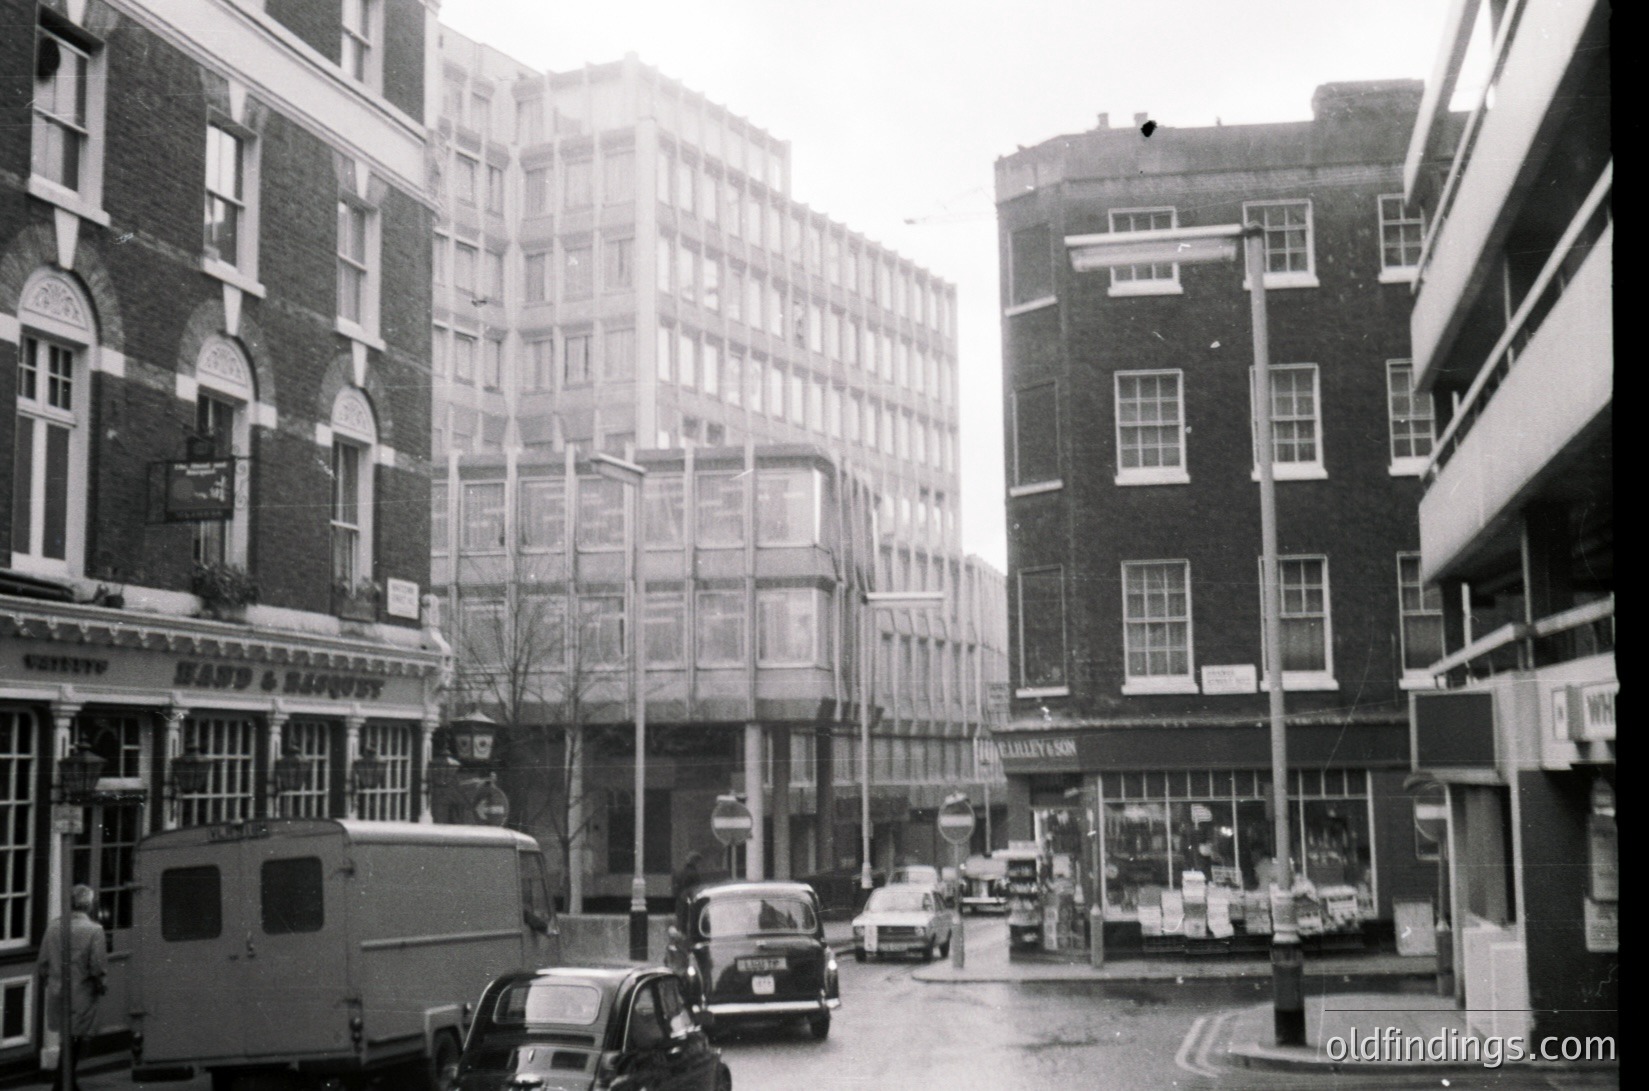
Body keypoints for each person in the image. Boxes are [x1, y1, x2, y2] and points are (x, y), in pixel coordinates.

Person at [37, 885, 108, 1091]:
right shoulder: (95, 930)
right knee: (74, 1040)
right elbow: (97, 966)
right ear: (89, 905)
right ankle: (62, 1084)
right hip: (82, 992)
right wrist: (101, 985)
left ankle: (66, 1083)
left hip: (58, 991)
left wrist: (49, 981)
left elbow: (42, 963)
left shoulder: (53, 927)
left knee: (66, 1039)